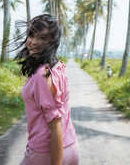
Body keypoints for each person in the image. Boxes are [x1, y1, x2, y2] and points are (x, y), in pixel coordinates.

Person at [14, 14, 80, 165]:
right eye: (31, 35)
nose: (34, 42)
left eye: (42, 38)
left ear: (52, 42)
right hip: (72, 147)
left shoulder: (41, 76)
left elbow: (55, 125)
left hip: (47, 153)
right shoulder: (59, 66)